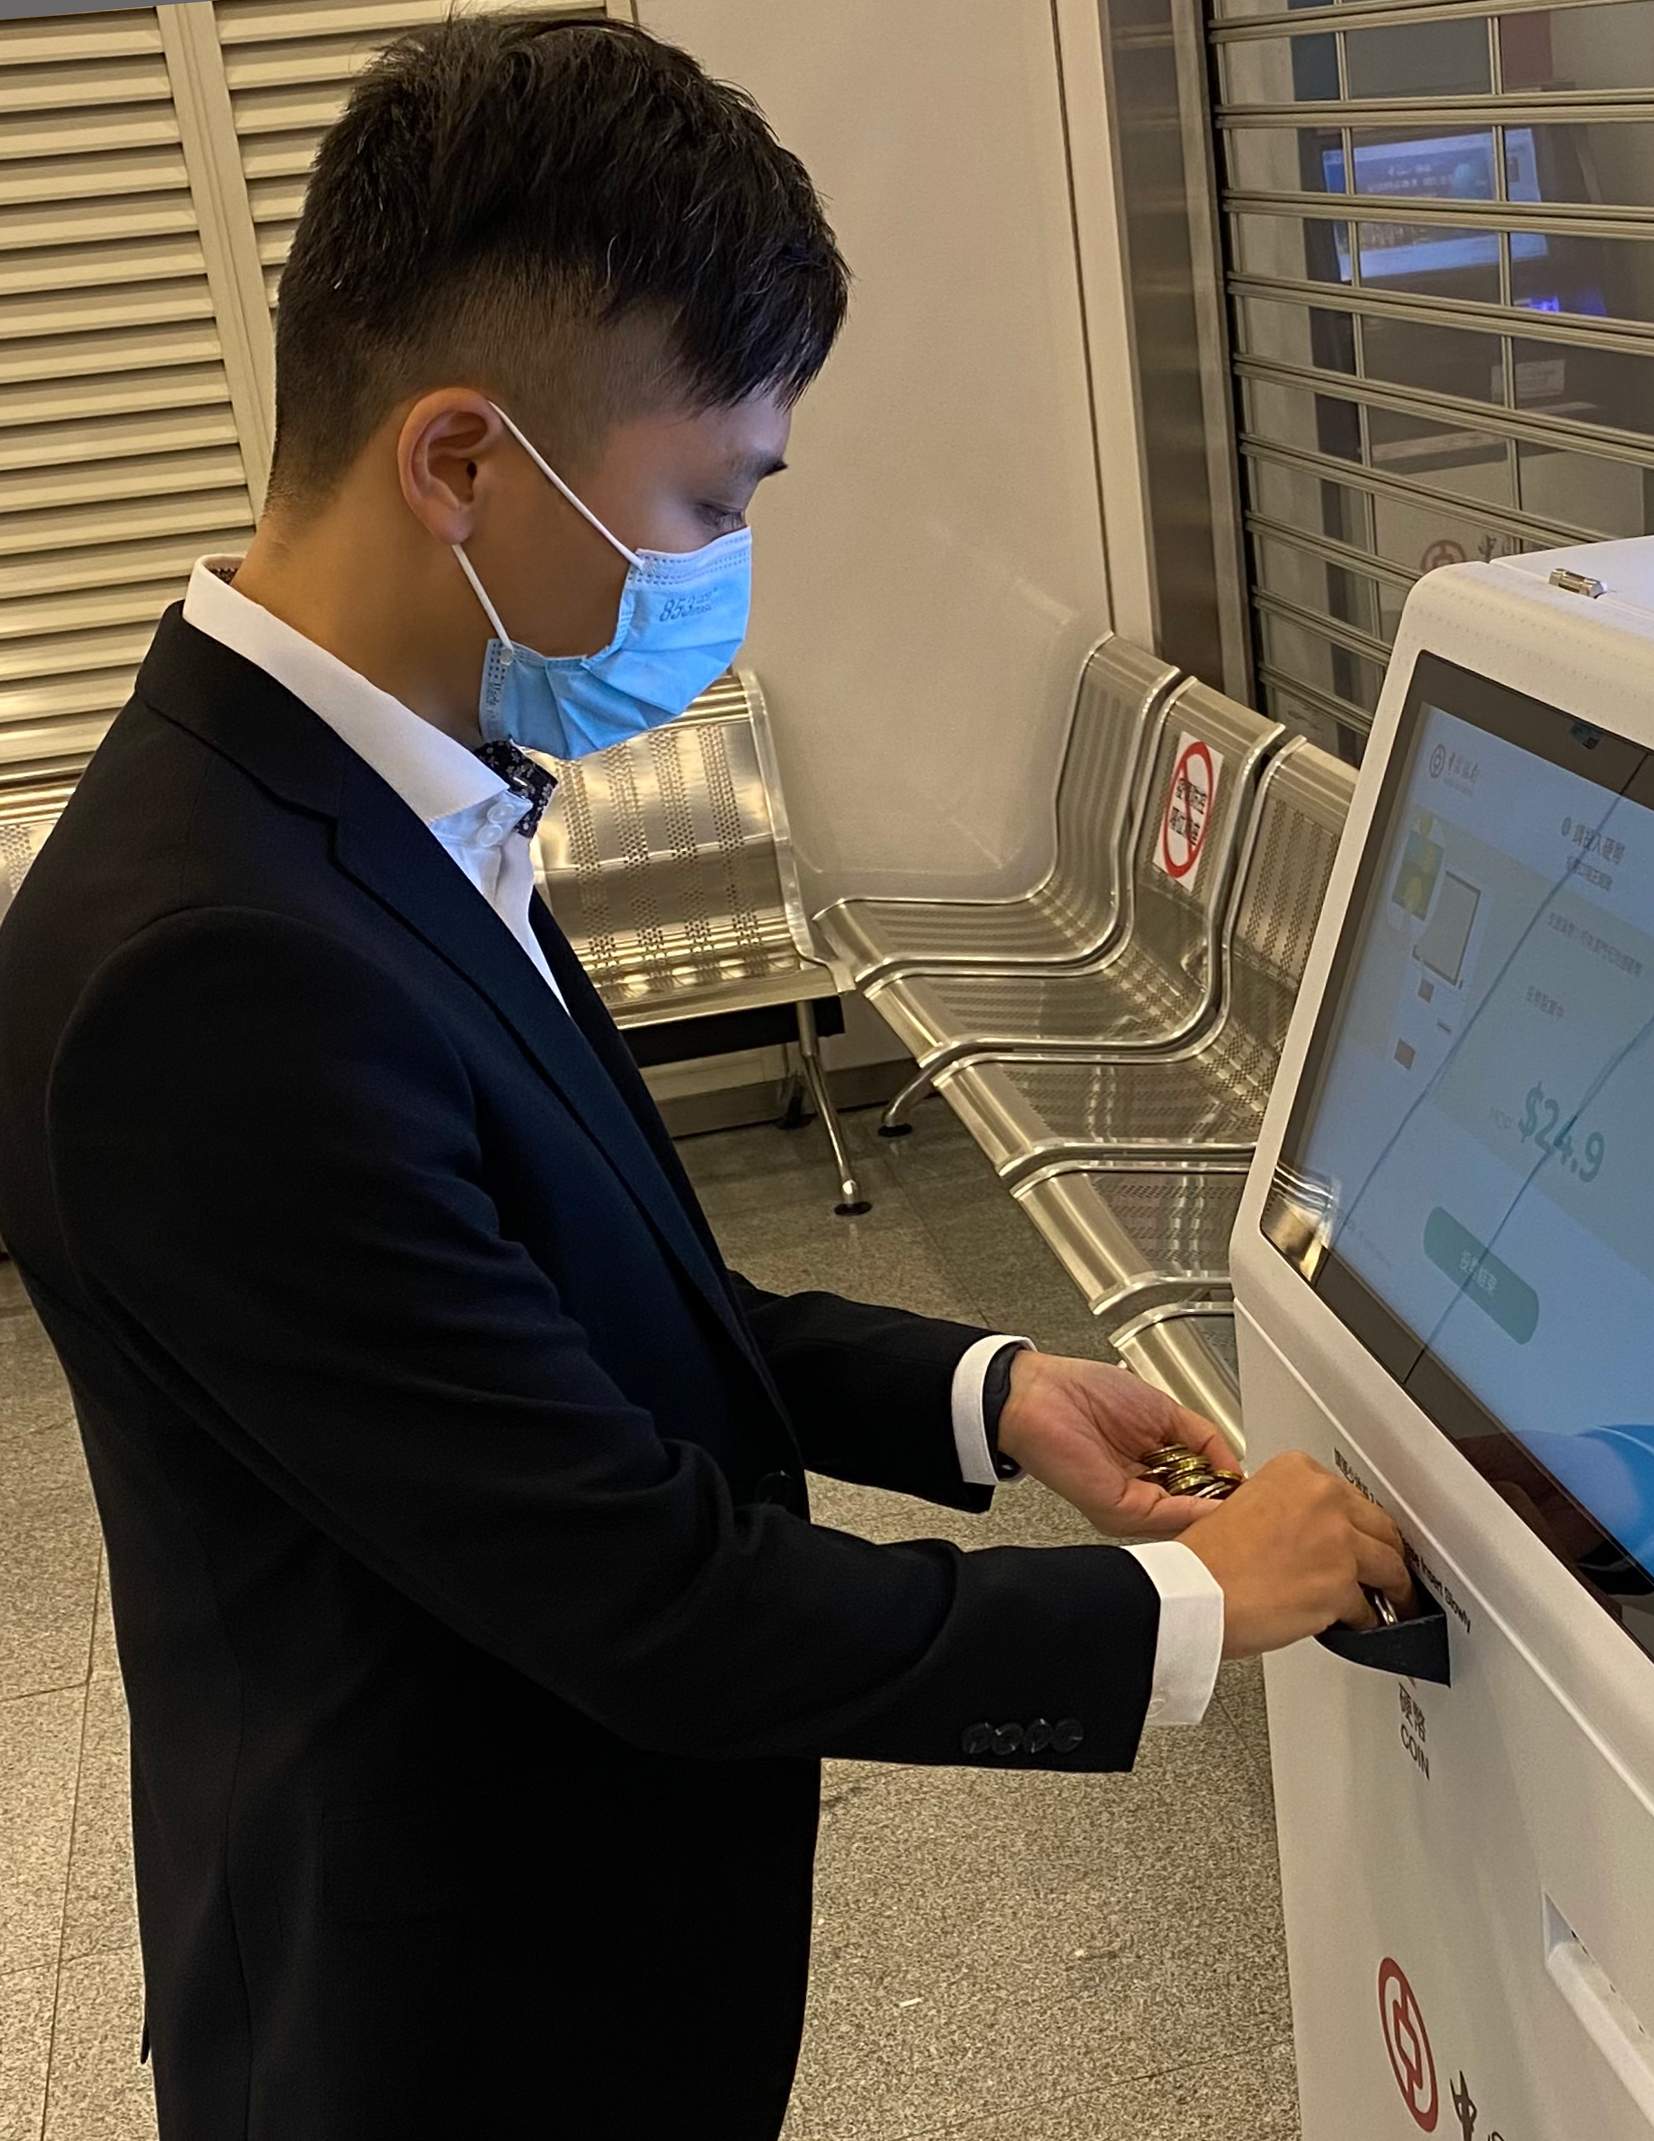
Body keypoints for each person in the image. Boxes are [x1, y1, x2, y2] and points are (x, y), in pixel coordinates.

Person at [0, 19, 1408, 2140]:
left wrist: (989, 1392)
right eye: (706, 501)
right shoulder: (206, 971)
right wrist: (1188, 1606)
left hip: (570, 1936)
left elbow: (582, 1306)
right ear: (459, 463)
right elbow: (637, 1595)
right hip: (450, 2030)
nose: (718, 572)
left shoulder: (373, 798)